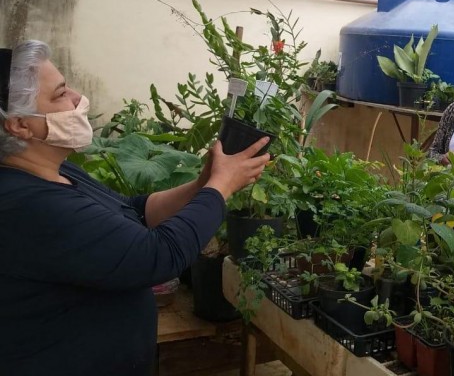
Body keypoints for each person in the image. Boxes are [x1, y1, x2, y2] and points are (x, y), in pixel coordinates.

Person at [0, 41, 270, 375]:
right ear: (19, 125)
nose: (76, 98)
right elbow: (160, 254)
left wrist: (201, 184)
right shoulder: (27, 205)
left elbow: (134, 210)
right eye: (59, 94)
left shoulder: (55, 170)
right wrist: (220, 187)